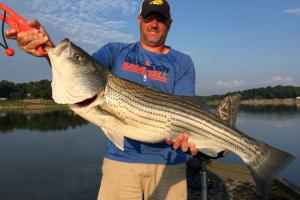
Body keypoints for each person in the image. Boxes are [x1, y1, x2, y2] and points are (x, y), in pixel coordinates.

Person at [6, 0, 198, 199]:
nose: (154, 24)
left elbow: (186, 109)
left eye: (161, 19)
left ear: (170, 24)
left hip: (170, 164)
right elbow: (80, 72)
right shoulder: (115, 51)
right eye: (149, 18)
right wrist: (47, 47)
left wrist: (186, 136)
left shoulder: (182, 62)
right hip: (120, 164)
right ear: (139, 20)